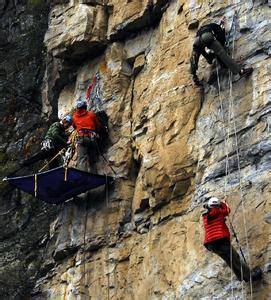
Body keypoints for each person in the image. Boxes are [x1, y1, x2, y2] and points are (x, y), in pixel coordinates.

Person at [202, 197, 263, 282]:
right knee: (235, 258)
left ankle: (242, 276)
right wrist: (223, 203)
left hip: (210, 245)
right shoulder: (219, 212)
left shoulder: (205, 216)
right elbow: (227, 210)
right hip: (221, 241)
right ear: (217, 206)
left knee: (229, 260)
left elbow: (214, 211)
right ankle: (250, 276)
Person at [190, 19, 253, 85]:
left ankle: (194, 77)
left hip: (197, 41)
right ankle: (241, 71)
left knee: (194, 59)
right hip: (207, 36)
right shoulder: (218, 27)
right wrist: (220, 51)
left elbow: (201, 51)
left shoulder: (205, 28)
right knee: (222, 53)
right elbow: (222, 41)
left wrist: (209, 58)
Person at [72, 100, 101, 172]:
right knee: (92, 160)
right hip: (92, 138)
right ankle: (94, 176)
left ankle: (83, 175)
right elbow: (98, 126)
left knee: (82, 159)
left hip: (81, 138)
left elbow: (74, 126)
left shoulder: (74, 117)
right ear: (85, 107)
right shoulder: (91, 114)